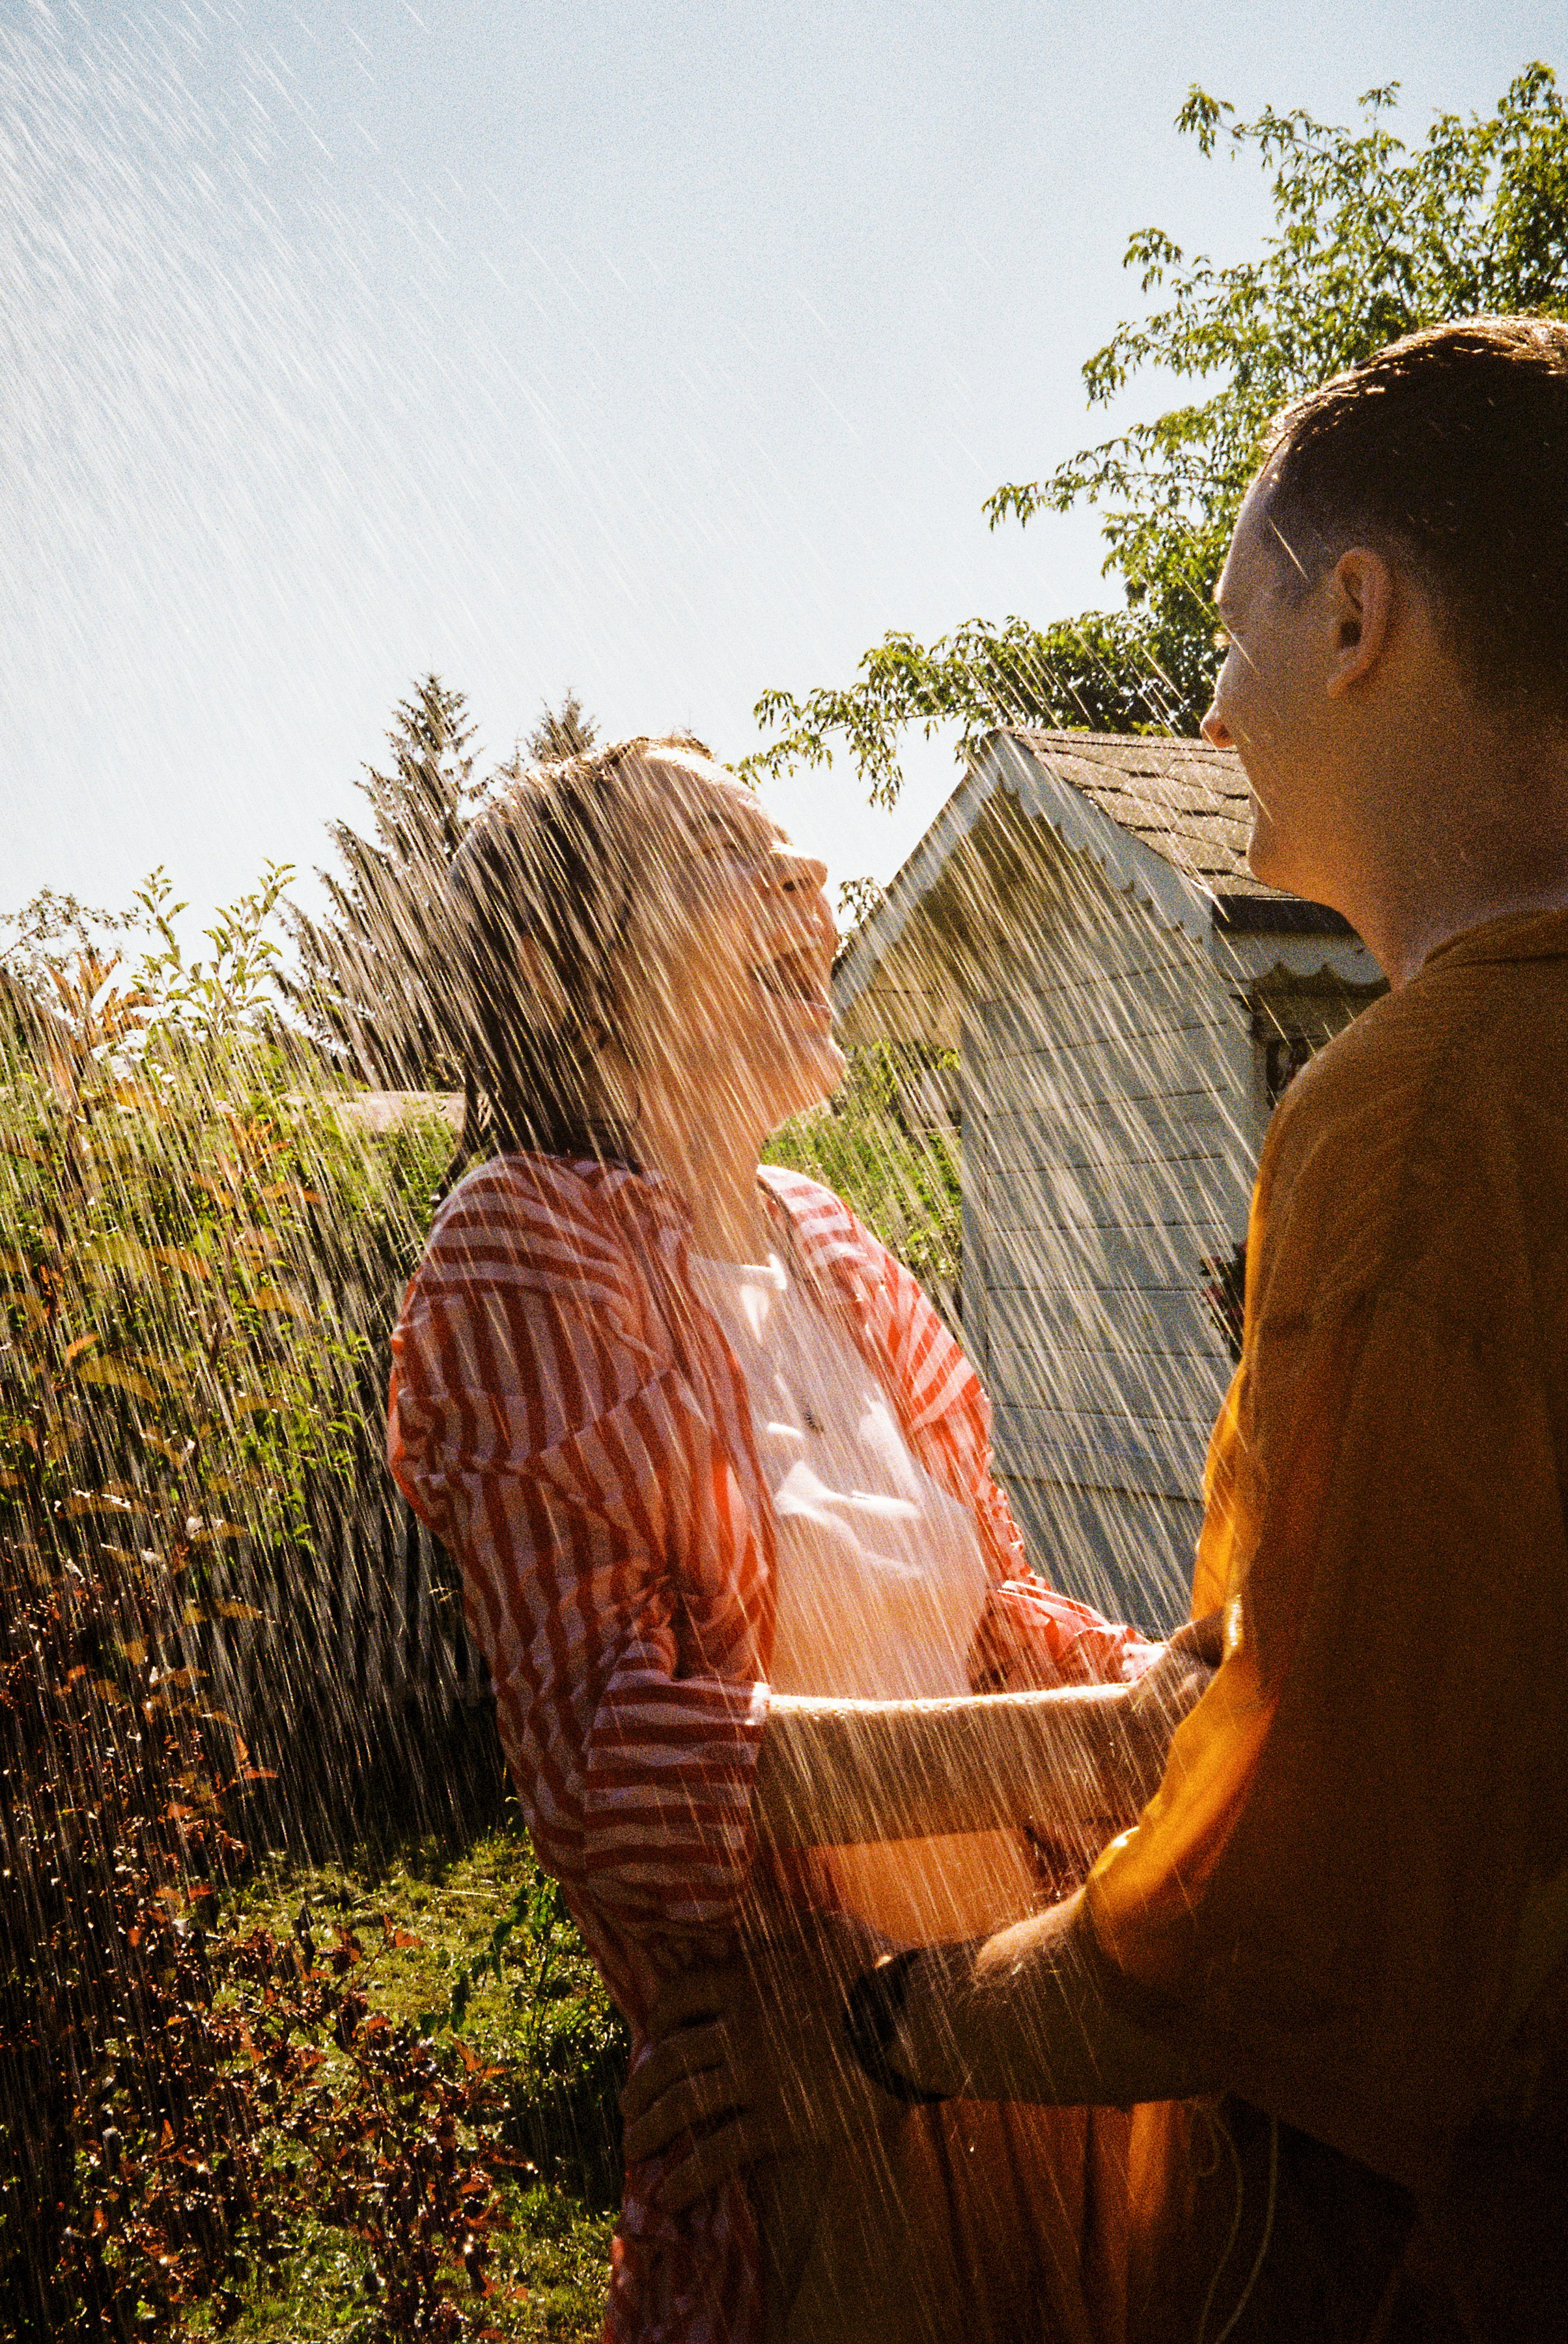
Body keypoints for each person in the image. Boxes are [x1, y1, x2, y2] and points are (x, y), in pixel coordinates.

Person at [624, 317, 1568, 2343]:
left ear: (1360, 623)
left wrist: (890, 2032)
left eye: (1234, 633)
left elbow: (1303, 1917)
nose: (1212, 719)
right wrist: (1157, 1697)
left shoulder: (1422, 1122)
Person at [386, 732, 1215, 2343]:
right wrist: (1092, 1743)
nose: (811, 883)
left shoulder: (834, 1246)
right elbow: (616, 1769)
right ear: (569, 972)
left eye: (791, 853)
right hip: (813, 2146)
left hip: (1009, 2037)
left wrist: (1187, 1684)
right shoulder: (523, 1244)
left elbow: (994, 1617)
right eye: (723, 858)